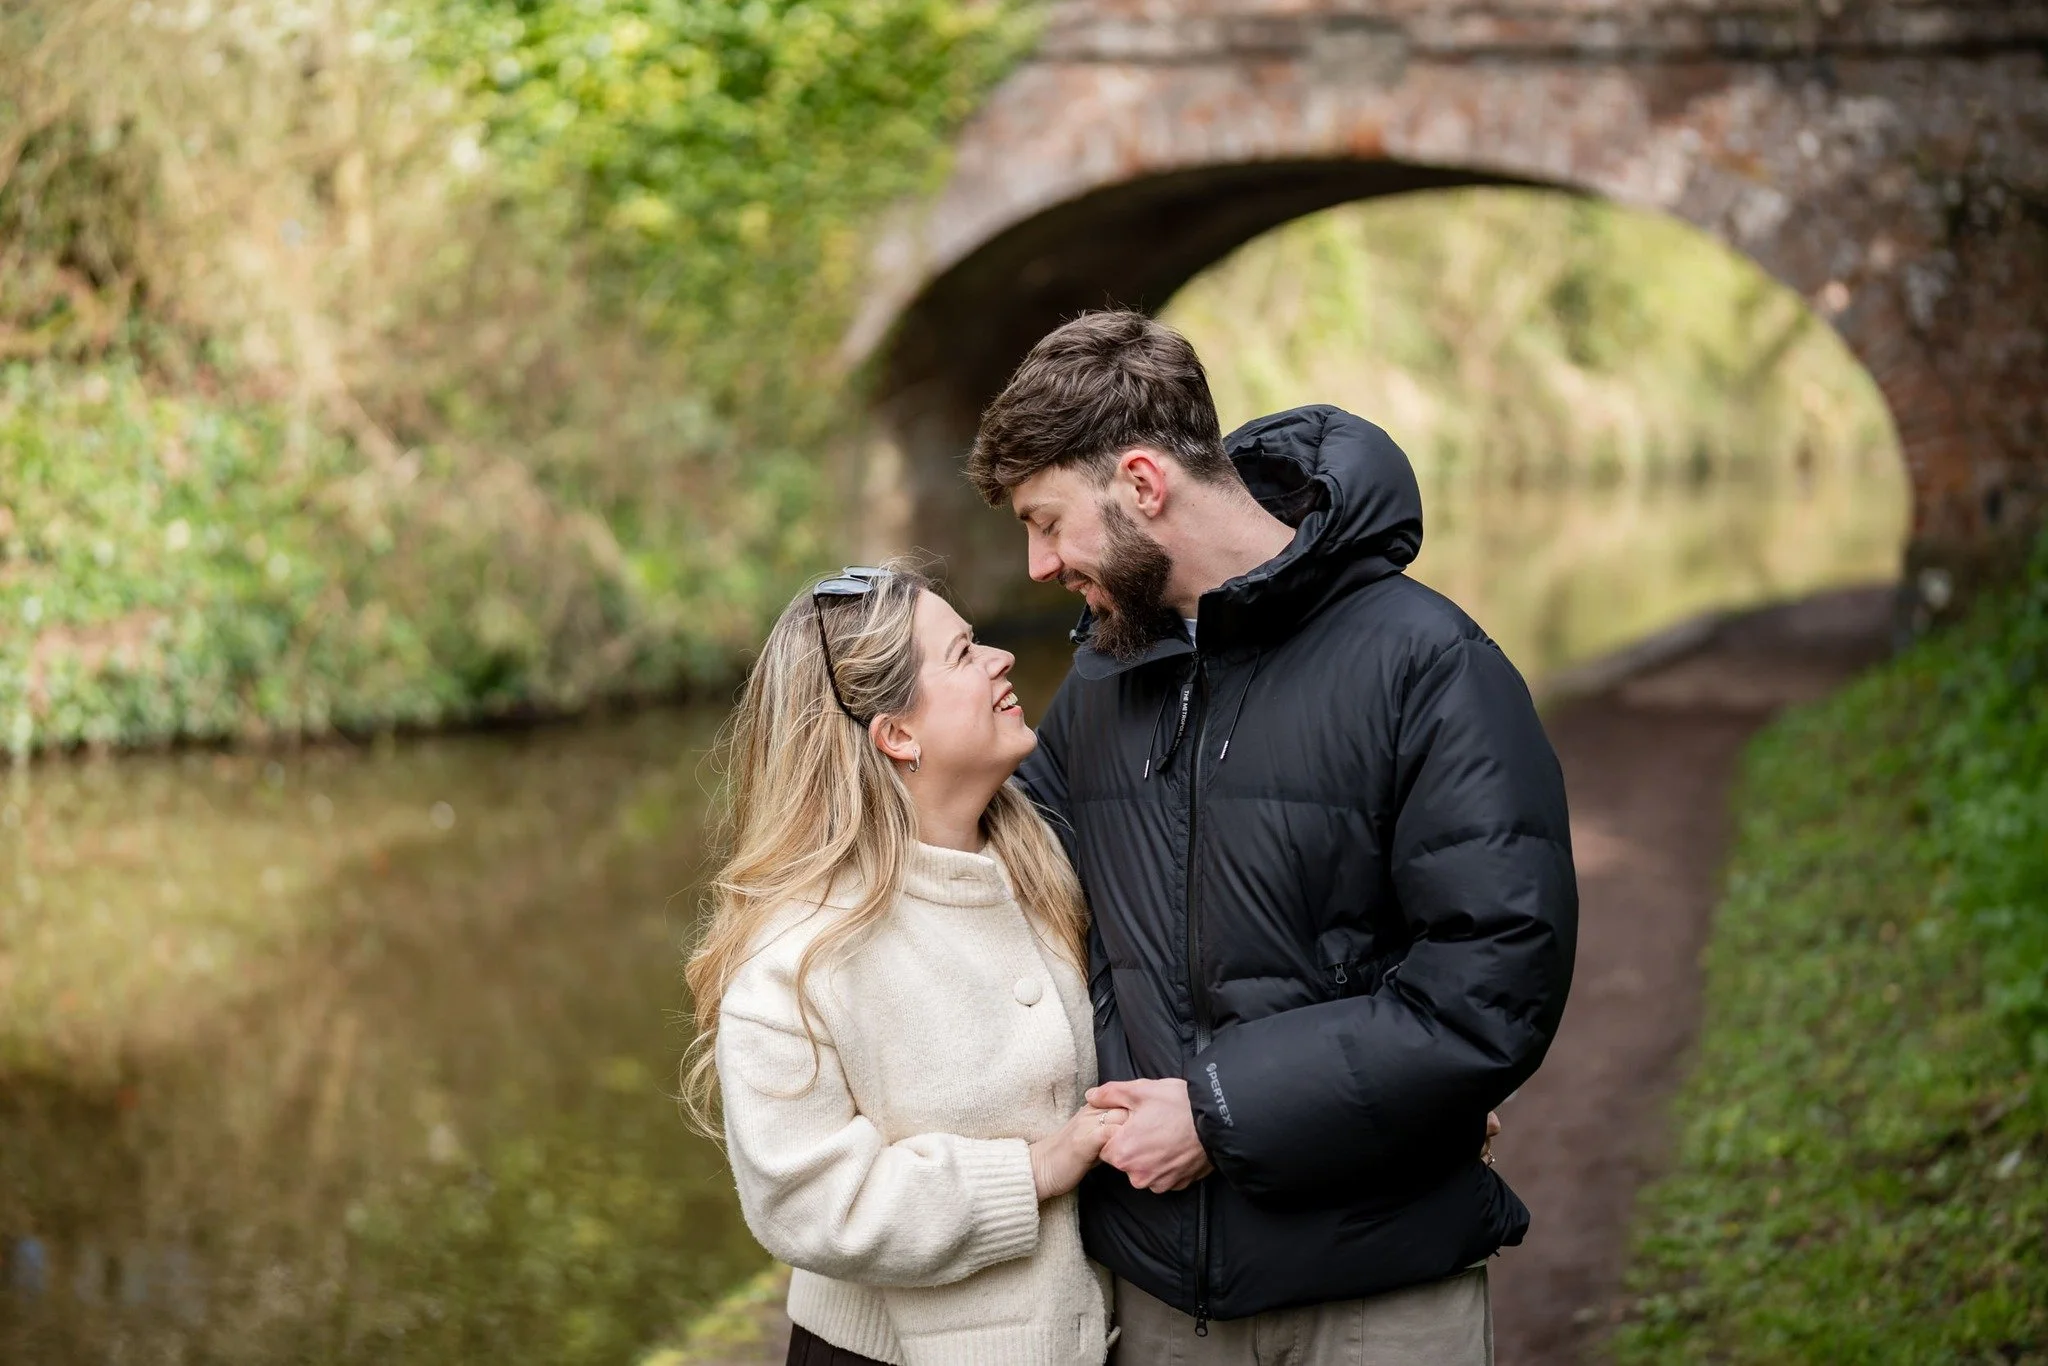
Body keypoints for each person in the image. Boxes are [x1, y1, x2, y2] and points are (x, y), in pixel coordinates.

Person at [966, 311, 1580, 1364]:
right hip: (1156, 1299)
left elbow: (1492, 980)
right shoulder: (1097, 690)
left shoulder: (1428, 665)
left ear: (1144, 485)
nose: (1035, 564)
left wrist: (1216, 1112)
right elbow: (1032, 928)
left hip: (1377, 1293)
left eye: (1047, 520)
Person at [683, 564, 1125, 1366]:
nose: (1001, 660)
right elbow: (810, 1202)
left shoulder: (1047, 864)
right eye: (962, 654)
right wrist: (1033, 1171)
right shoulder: (796, 956)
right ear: (897, 734)